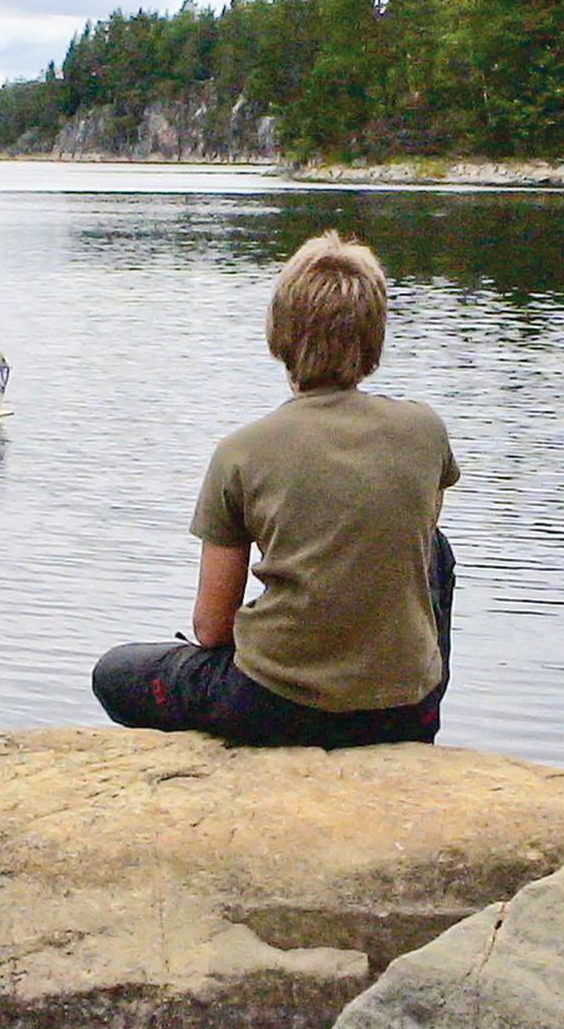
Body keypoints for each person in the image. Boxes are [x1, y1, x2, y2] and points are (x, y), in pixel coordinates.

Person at [92, 230, 457, 748]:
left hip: (275, 707)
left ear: (278, 335)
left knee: (115, 672)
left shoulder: (242, 451)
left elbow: (212, 629)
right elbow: (414, 537)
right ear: (375, 338)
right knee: (435, 549)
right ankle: (414, 705)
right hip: (403, 712)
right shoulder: (426, 430)